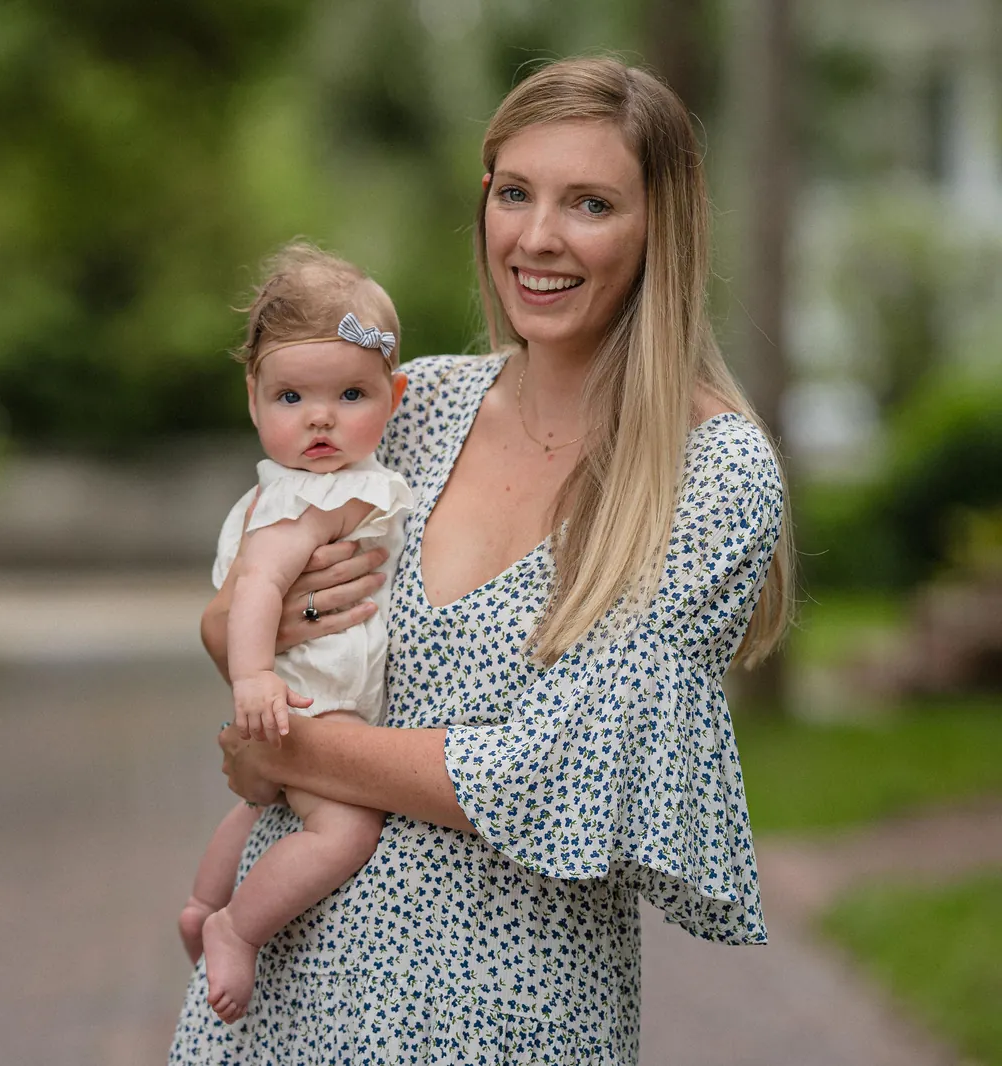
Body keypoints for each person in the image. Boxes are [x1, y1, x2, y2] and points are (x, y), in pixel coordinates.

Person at [169, 56, 793, 1064]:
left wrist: (283, 749)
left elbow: (554, 774)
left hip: (505, 1015)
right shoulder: (412, 406)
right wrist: (240, 639)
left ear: (659, 230)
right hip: (277, 1001)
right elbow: (248, 597)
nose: (537, 238)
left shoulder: (708, 470)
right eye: (514, 193)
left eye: (588, 202)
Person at [179, 243, 415, 1024]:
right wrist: (252, 678)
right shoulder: (319, 500)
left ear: (395, 396)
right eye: (291, 398)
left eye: (349, 393)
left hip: (297, 701)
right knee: (342, 832)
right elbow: (258, 586)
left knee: (259, 808)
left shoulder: (294, 489)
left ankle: (204, 898)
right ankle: (237, 928)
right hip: (310, 706)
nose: (319, 417)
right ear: (254, 400)